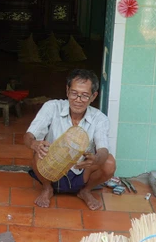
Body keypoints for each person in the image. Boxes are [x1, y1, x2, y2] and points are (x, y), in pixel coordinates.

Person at [24, 69, 116, 210]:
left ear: (93, 96)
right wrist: (33, 143)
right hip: (51, 170)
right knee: (39, 153)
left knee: (109, 162)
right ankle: (47, 188)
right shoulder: (52, 107)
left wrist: (97, 159)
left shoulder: (100, 119)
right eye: (74, 93)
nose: (78, 100)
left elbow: (103, 149)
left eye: (85, 95)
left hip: (81, 172)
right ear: (67, 91)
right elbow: (29, 136)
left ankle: (85, 191)